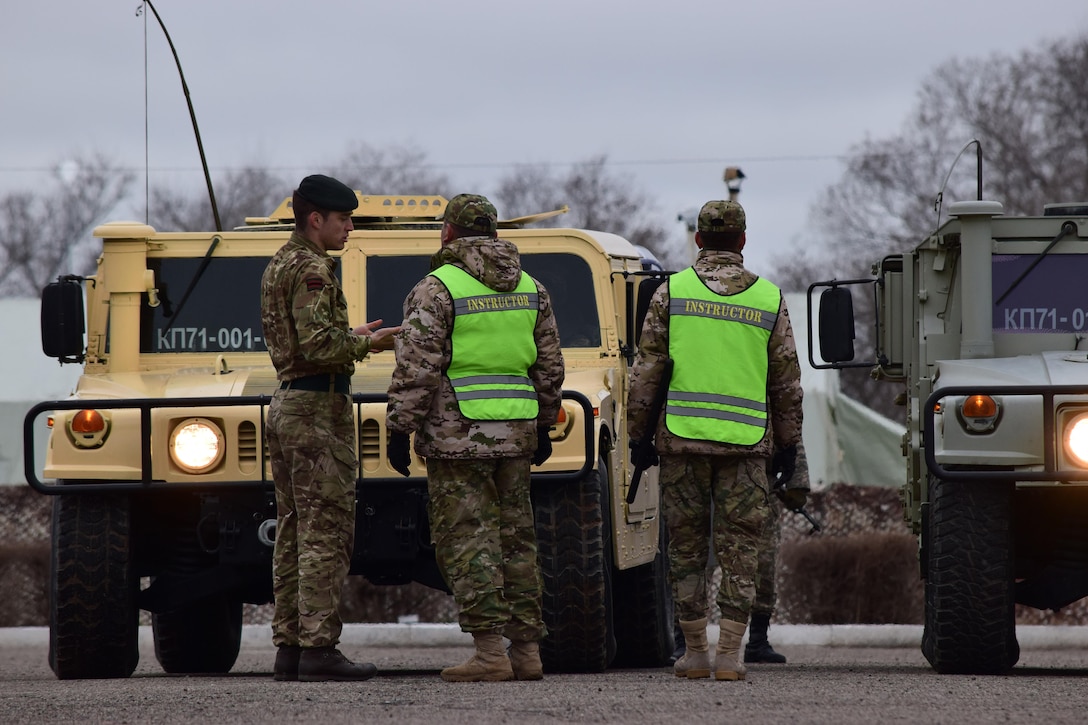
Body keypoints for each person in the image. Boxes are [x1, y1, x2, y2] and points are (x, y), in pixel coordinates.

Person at [386, 193, 564, 682]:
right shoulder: (531, 288)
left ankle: (490, 654)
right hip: (517, 432)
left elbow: (418, 364)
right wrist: (545, 421)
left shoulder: (437, 289)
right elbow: (548, 364)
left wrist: (400, 426)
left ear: (448, 233)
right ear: (494, 232)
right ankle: (527, 652)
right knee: (518, 540)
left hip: (456, 436)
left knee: (469, 541)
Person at [627, 199, 803, 682]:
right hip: (748, 447)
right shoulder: (768, 298)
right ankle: (730, 655)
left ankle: (695, 653)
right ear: (743, 242)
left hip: (682, 442)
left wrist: (637, 435)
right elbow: (786, 382)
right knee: (741, 550)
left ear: (700, 240)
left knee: (685, 550)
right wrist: (789, 447)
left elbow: (646, 373)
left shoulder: (671, 293)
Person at [261, 174, 400, 682]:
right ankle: (319, 648)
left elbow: (304, 341)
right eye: (343, 220)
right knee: (325, 532)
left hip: (291, 405)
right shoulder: (313, 269)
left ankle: (291, 646)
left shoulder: (281, 262)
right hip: (318, 411)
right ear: (315, 219)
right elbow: (319, 348)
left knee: (294, 530)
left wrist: (351, 334)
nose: (350, 228)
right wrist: (372, 344)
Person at [746, 441, 811, 664]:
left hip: (762, 483)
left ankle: (757, 640)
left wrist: (796, 484)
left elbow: (790, 427)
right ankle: (686, 640)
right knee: (698, 561)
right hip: (712, 479)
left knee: (764, 565)